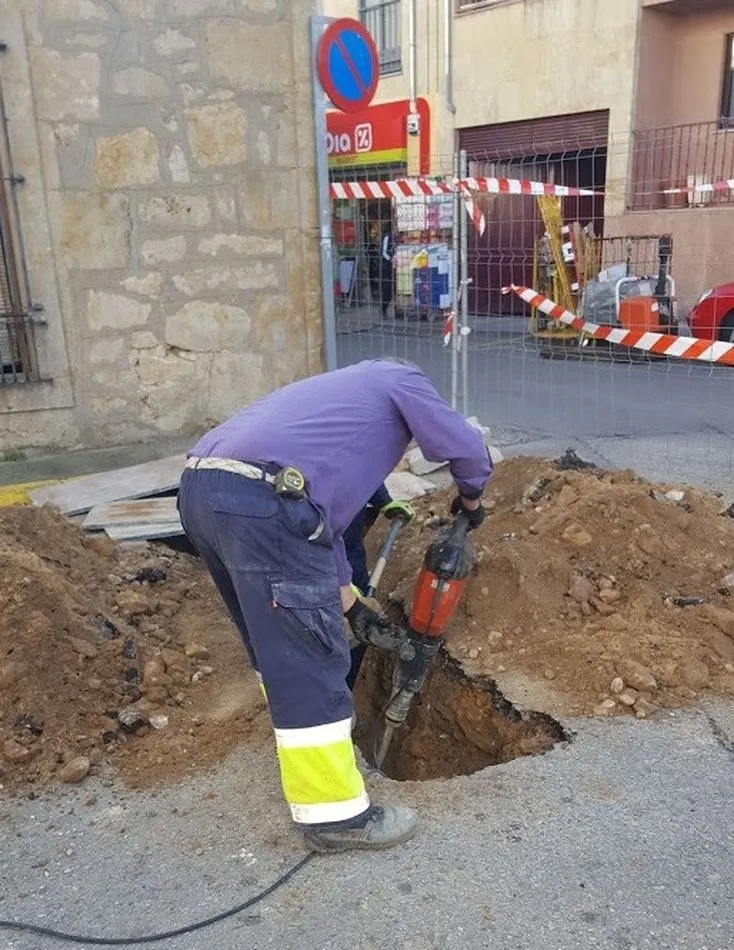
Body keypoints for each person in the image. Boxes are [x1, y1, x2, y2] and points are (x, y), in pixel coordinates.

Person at [177, 359, 492, 854]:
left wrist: (349, 603)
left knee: (275, 646)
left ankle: (304, 745)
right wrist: (472, 501)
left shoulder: (333, 404)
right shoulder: (401, 379)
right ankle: (335, 816)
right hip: (267, 500)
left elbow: (323, 524)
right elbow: (466, 447)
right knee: (309, 659)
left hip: (202, 489)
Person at [343, 484, 414, 690]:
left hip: (350, 554)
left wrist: (383, 500)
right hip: (311, 567)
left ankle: (346, 689)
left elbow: (361, 470)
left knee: (359, 630)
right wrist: (344, 591)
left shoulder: (350, 465)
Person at [379, 224, 395, 318]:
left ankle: (384, 309)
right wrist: (391, 259)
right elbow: (383, 252)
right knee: (387, 290)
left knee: (392, 289)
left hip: (392, 266)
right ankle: (383, 310)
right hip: (386, 267)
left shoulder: (394, 236)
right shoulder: (387, 236)